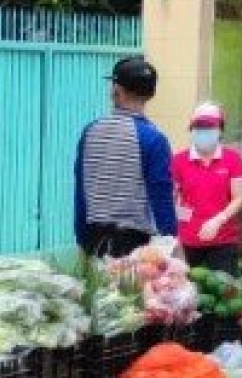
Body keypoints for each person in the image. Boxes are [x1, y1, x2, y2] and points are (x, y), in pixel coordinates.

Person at [74, 56, 178, 258]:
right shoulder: (154, 139)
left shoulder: (90, 132)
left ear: (116, 91)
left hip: (93, 239)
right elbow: (161, 198)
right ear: (151, 94)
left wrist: (81, 239)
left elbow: (81, 191)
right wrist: (171, 242)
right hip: (134, 246)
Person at [171, 102, 242, 274]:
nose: (203, 131)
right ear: (191, 130)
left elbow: (238, 198)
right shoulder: (179, 161)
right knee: (186, 293)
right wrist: (174, 230)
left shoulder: (232, 159)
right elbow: (171, 197)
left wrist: (218, 220)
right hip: (187, 241)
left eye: (209, 126)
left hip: (224, 240)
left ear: (220, 130)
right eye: (198, 127)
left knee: (225, 291)